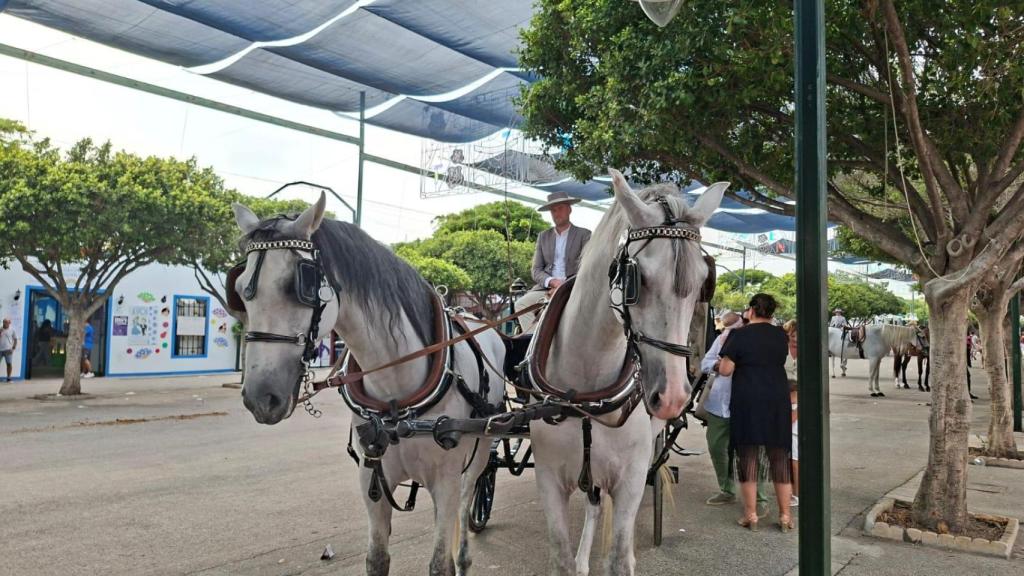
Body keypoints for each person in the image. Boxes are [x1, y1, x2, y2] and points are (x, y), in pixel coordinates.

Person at [718, 293, 794, 532]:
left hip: (748, 399)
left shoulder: (738, 335)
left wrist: (722, 360)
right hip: (776, 398)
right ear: (771, 312)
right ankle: (784, 516)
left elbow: (726, 370)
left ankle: (751, 515)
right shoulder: (781, 335)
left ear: (751, 310)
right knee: (779, 458)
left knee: (748, 457)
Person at [700, 310, 770, 515]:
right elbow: (705, 363)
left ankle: (760, 497)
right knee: (716, 446)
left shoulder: (758, 344)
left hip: (747, 404)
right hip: (718, 404)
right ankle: (727, 489)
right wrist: (717, 364)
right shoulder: (722, 340)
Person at [515, 191, 592, 332]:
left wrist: (563, 285)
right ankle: (536, 345)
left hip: (573, 288)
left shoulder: (584, 234)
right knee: (521, 305)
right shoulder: (543, 236)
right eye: (553, 210)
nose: (557, 213)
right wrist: (552, 282)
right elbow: (536, 270)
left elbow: (587, 268)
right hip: (547, 289)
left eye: (560, 208)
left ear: (569, 209)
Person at [782, 319, 799, 508]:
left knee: (796, 455)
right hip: (781, 402)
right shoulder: (781, 353)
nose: (795, 340)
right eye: (793, 336)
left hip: (797, 404)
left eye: (797, 336)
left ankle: (797, 493)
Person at [0, 318, 17, 382]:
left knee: (9, 364)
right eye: (4, 322)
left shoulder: (12, 330)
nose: (6, 323)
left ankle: (8, 378)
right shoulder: (0, 329)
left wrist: (13, 348)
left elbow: (15, 339)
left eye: (7, 322)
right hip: (0, 350)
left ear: (9, 323)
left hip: (8, 350)